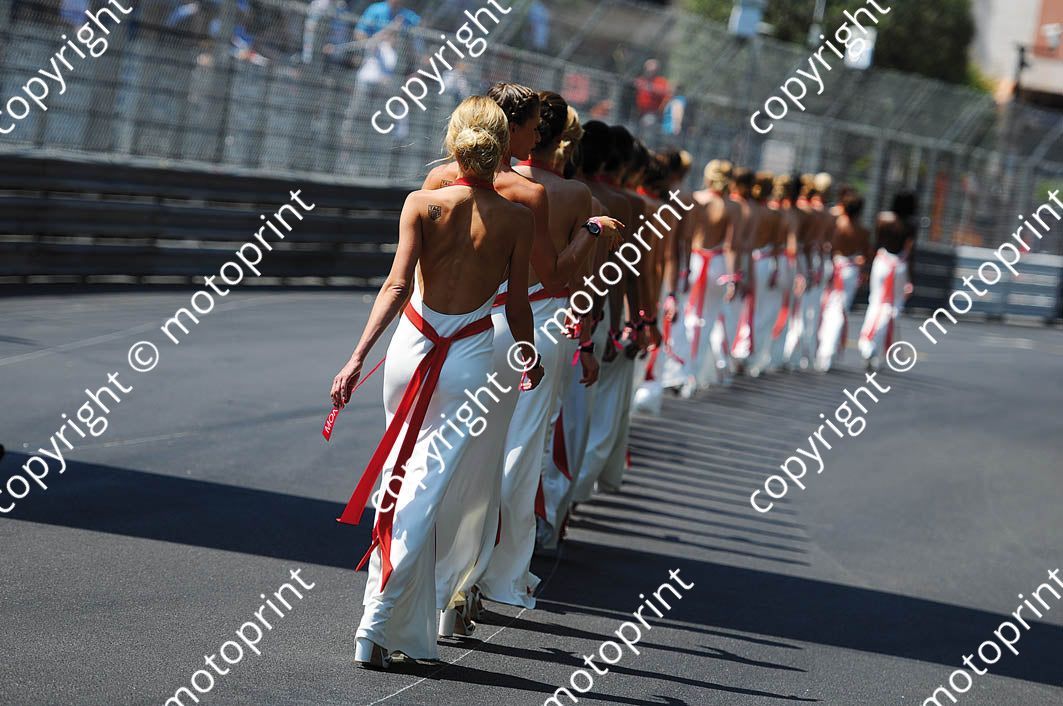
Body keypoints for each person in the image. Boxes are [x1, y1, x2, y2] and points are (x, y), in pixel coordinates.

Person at [330, 96, 542, 668]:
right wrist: (526, 356)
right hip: (468, 355)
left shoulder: (422, 203)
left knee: (398, 472)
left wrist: (354, 359)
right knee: (425, 486)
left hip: (411, 346)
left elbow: (396, 286)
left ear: (454, 144)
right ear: (501, 151)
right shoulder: (517, 217)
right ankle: (377, 621)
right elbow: (518, 305)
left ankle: (381, 618)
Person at [425, 83, 620, 616]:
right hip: (531, 323)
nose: (535, 135)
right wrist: (592, 234)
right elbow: (561, 274)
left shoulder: (448, 179)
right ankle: (497, 574)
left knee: (459, 450)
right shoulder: (561, 194)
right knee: (517, 453)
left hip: (461, 323)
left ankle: (443, 572)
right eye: (530, 125)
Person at [513, 94, 605, 552]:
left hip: (480, 318)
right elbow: (578, 279)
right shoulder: (575, 195)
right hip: (547, 319)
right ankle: (508, 553)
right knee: (529, 441)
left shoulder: (494, 180)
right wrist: (586, 344)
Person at [815, 180, 871, 372]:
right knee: (839, 310)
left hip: (833, 266)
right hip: (849, 270)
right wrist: (862, 268)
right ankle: (827, 350)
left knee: (826, 306)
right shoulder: (862, 230)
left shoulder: (836, 224)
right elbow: (866, 254)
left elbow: (825, 245)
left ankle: (822, 347)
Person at [859, 192, 917, 369]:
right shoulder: (910, 225)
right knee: (892, 309)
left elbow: (874, 245)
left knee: (875, 302)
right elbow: (911, 252)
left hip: (881, 263)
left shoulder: (882, 219)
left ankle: (868, 344)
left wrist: (867, 268)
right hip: (898, 266)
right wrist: (910, 279)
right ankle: (873, 345)